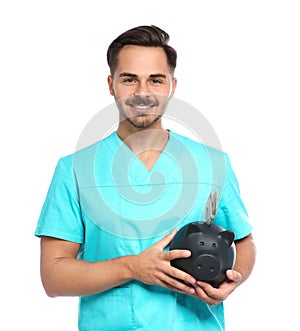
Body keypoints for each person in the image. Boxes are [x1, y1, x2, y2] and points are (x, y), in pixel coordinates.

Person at [35, 25, 256, 330]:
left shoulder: (213, 164)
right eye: (129, 80)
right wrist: (132, 268)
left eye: (155, 79)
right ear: (111, 84)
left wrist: (235, 278)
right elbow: (54, 276)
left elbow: (243, 242)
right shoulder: (74, 170)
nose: (142, 92)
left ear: (172, 86)